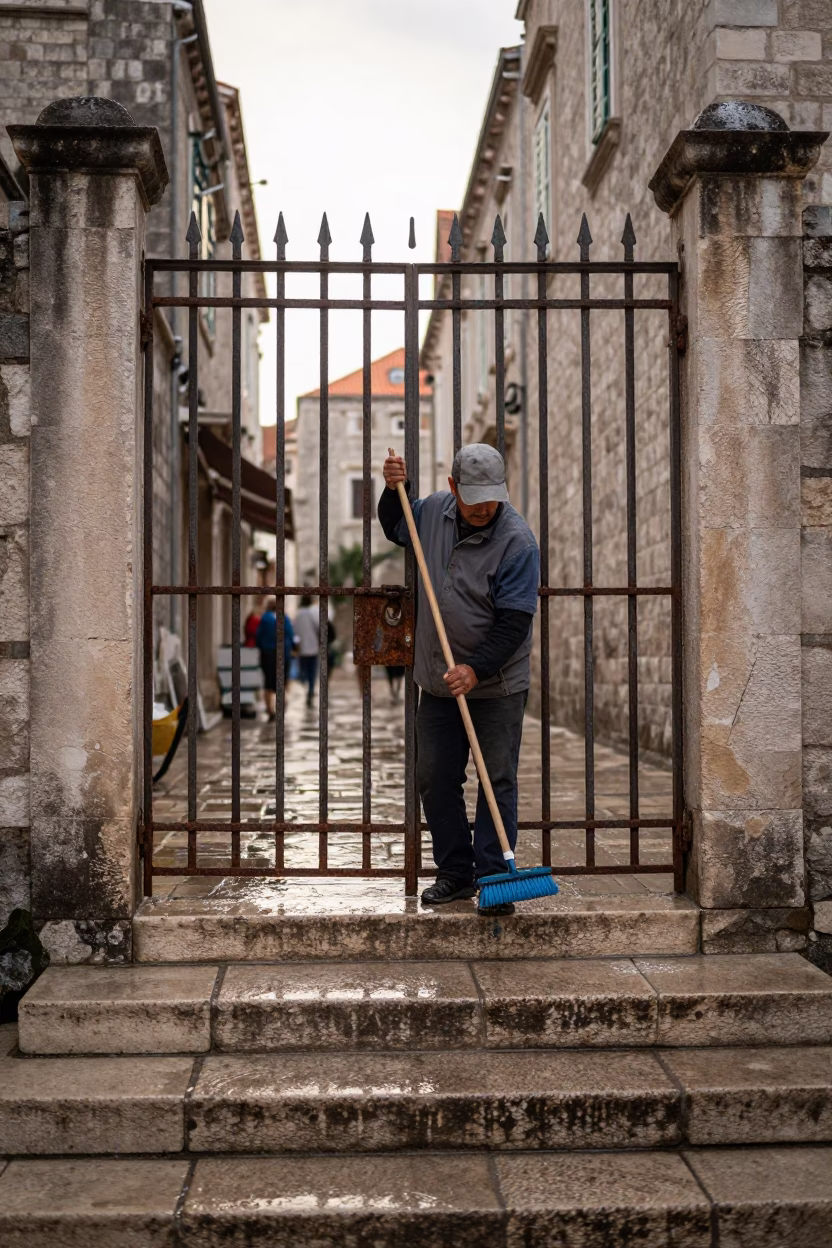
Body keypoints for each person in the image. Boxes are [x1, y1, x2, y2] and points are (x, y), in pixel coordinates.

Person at [379, 443, 539, 917]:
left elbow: (514, 623)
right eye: (474, 499)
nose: (484, 508)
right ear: (454, 488)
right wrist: (393, 490)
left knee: (497, 779)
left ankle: (494, 877)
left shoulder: (518, 542)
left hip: (496, 684)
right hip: (437, 680)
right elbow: (394, 525)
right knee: (434, 776)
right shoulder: (430, 511)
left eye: (492, 497)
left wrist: (475, 669)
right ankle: (455, 874)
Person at [255, 599, 294, 722]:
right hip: (282, 653)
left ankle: (270, 709)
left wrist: (263, 646)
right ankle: (281, 706)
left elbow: (258, 636)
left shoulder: (265, 619)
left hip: (268, 653)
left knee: (268, 682)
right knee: (281, 681)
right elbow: (290, 635)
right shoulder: (284, 619)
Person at [293, 595, 320, 708]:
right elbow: (319, 627)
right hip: (313, 647)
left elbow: (295, 630)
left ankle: (306, 688)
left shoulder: (298, 614)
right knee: (312, 672)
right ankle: (310, 690)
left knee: (303, 670)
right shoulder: (313, 613)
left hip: (301, 648)